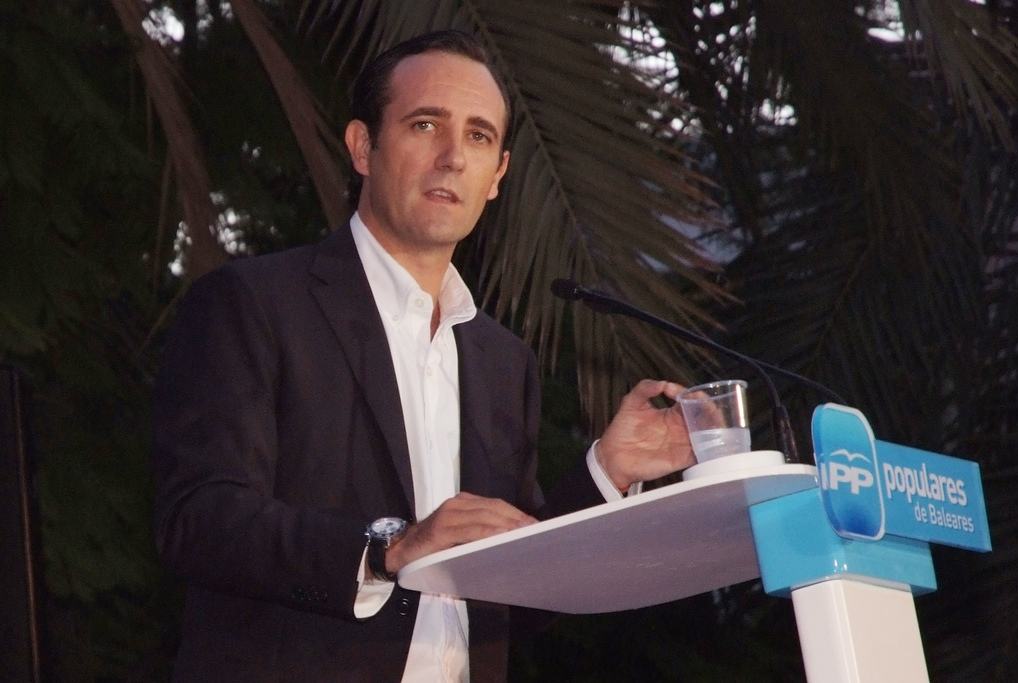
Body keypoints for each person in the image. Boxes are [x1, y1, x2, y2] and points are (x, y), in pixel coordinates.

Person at [151, 30, 694, 682]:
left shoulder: (503, 362)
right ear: (363, 147)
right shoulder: (254, 305)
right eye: (425, 125)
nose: (452, 157)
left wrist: (608, 471)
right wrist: (389, 549)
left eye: (478, 136)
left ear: (498, 177)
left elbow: (511, 594)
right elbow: (200, 520)